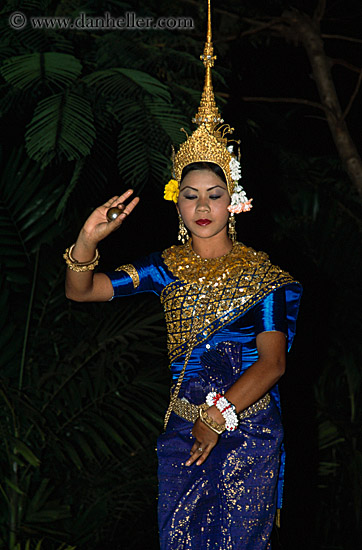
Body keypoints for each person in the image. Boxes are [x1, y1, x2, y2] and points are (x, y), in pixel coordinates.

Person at [64, 3, 302, 548]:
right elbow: (84, 290)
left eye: (214, 195)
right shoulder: (165, 268)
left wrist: (218, 418)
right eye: (190, 195)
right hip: (182, 433)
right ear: (177, 204)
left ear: (233, 202)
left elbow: (273, 363)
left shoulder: (263, 276)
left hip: (247, 431)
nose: (202, 206)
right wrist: (87, 240)